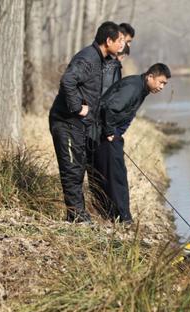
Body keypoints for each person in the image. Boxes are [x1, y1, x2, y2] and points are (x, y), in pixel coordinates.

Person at [49, 21, 124, 222]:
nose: (122, 46)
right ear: (108, 40)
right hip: (65, 121)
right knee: (72, 170)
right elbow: (68, 81)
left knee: (78, 167)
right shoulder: (89, 58)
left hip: (77, 125)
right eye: (120, 41)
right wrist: (77, 108)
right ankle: (77, 217)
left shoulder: (100, 59)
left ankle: (76, 215)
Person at [92, 63, 171, 223]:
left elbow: (124, 113)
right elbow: (110, 108)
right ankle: (123, 218)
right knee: (116, 176)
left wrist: (117, 134)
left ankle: (111, 216)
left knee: (109, 175)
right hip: (103, 133)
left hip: (108, 133)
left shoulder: (141, 88)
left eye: (165, 84)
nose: (162, 87)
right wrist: (109, 133)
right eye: (160, 82)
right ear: (150, 76)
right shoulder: (134, 87)